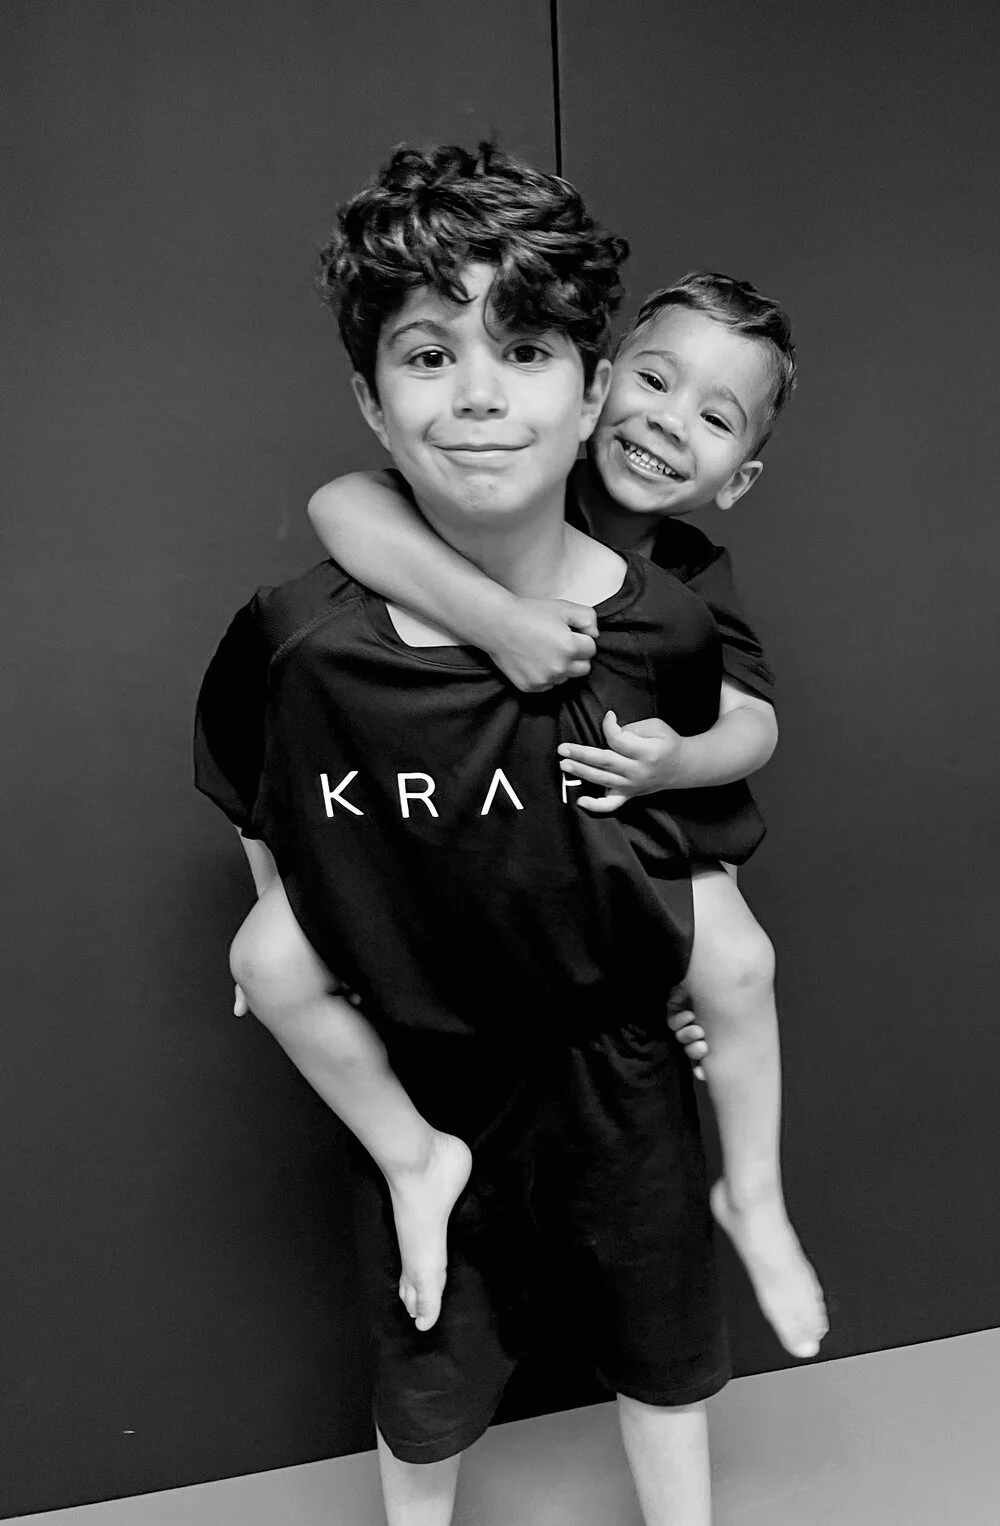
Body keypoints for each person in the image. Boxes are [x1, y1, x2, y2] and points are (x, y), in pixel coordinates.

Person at [195, 141, 771, 1526]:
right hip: (432, 1048)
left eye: (521, 353)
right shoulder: (322, 618)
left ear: (580, 388)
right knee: (427, 1351)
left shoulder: (672, 596)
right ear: (372, 398)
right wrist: (291, 906)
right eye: (429, 357)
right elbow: (266, 739)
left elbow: (730, 755)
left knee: (665, 1333)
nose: (480, 395)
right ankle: (415, 1158)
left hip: (607, 1044)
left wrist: (691, 959)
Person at [250, 269, 829, 1363]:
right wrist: (498, 620)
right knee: (268, 959)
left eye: (714, 419)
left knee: (739, 964)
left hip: (599, 835)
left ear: (738, 478)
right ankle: (413, 1156)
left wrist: (678, 762)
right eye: (653, 382)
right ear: (594, 387)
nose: (668, 422)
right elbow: (341, 506)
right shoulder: (510, 479)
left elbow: (753, 726)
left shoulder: (690, 582)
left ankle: (752, 1193)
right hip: (452, 836)